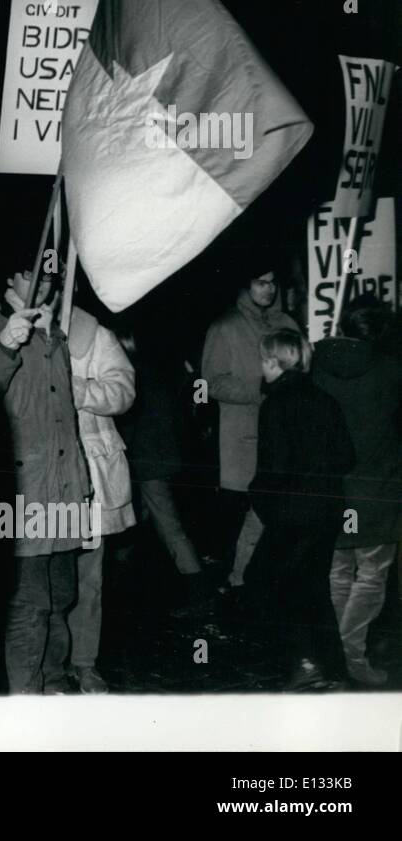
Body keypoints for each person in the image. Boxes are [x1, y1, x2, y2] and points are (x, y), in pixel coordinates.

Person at [0, 261, 90, 694]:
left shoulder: (52, 330)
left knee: (61, 595)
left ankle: (54, 683)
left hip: (64, 486)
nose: (43, 283)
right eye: (30, 275)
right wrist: (4, 345)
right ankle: (25, 696)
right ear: (9, 280)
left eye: (50, 277)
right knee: (28, 604)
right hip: (25, 491)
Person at [246, 329, 354, 691]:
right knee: (313, 588)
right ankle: (333, 668)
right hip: (327, 508)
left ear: (275, 362)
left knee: (266, 581)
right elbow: (346, 456)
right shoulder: (325, 399)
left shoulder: (276, 404)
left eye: (263, 359)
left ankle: (304, 663)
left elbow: (273, 469)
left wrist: (260, 496)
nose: (260, 366)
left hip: (293, 512)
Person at [312, 298, 401, 686]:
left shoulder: (317, 365)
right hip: (377, 490)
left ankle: (334, 656)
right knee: (371, 576)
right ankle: (351, 657)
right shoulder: (391, 372)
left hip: (335, 491)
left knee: (337, 575)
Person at [201, 266, 299, 592]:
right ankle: (237, 580)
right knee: (244, 510)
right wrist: (258, 394)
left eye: (273, 283)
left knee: (277, 509)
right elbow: (211, 382)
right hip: (243, 435)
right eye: (261, 283)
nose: (268, 290)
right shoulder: (226, 327)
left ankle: (263, 578)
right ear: (246, 286)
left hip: (285, 432)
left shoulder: (287, 325)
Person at [65, 305, 136, 694]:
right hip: (40, 473)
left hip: (89, 472)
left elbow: (123, 390)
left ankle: (83, 662)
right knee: (43, 579)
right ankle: (44, 663)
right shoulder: (9, 329)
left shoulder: (93, 334)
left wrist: (76, 388)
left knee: (88, 576)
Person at [116, 328, 207, 611]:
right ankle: (126, 575)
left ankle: (197, 588)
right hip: (159, 457)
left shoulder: (129, 374)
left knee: (166, 524)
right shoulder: (151, 371)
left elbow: (131, 424)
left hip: (144, 460)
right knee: (142, 518)